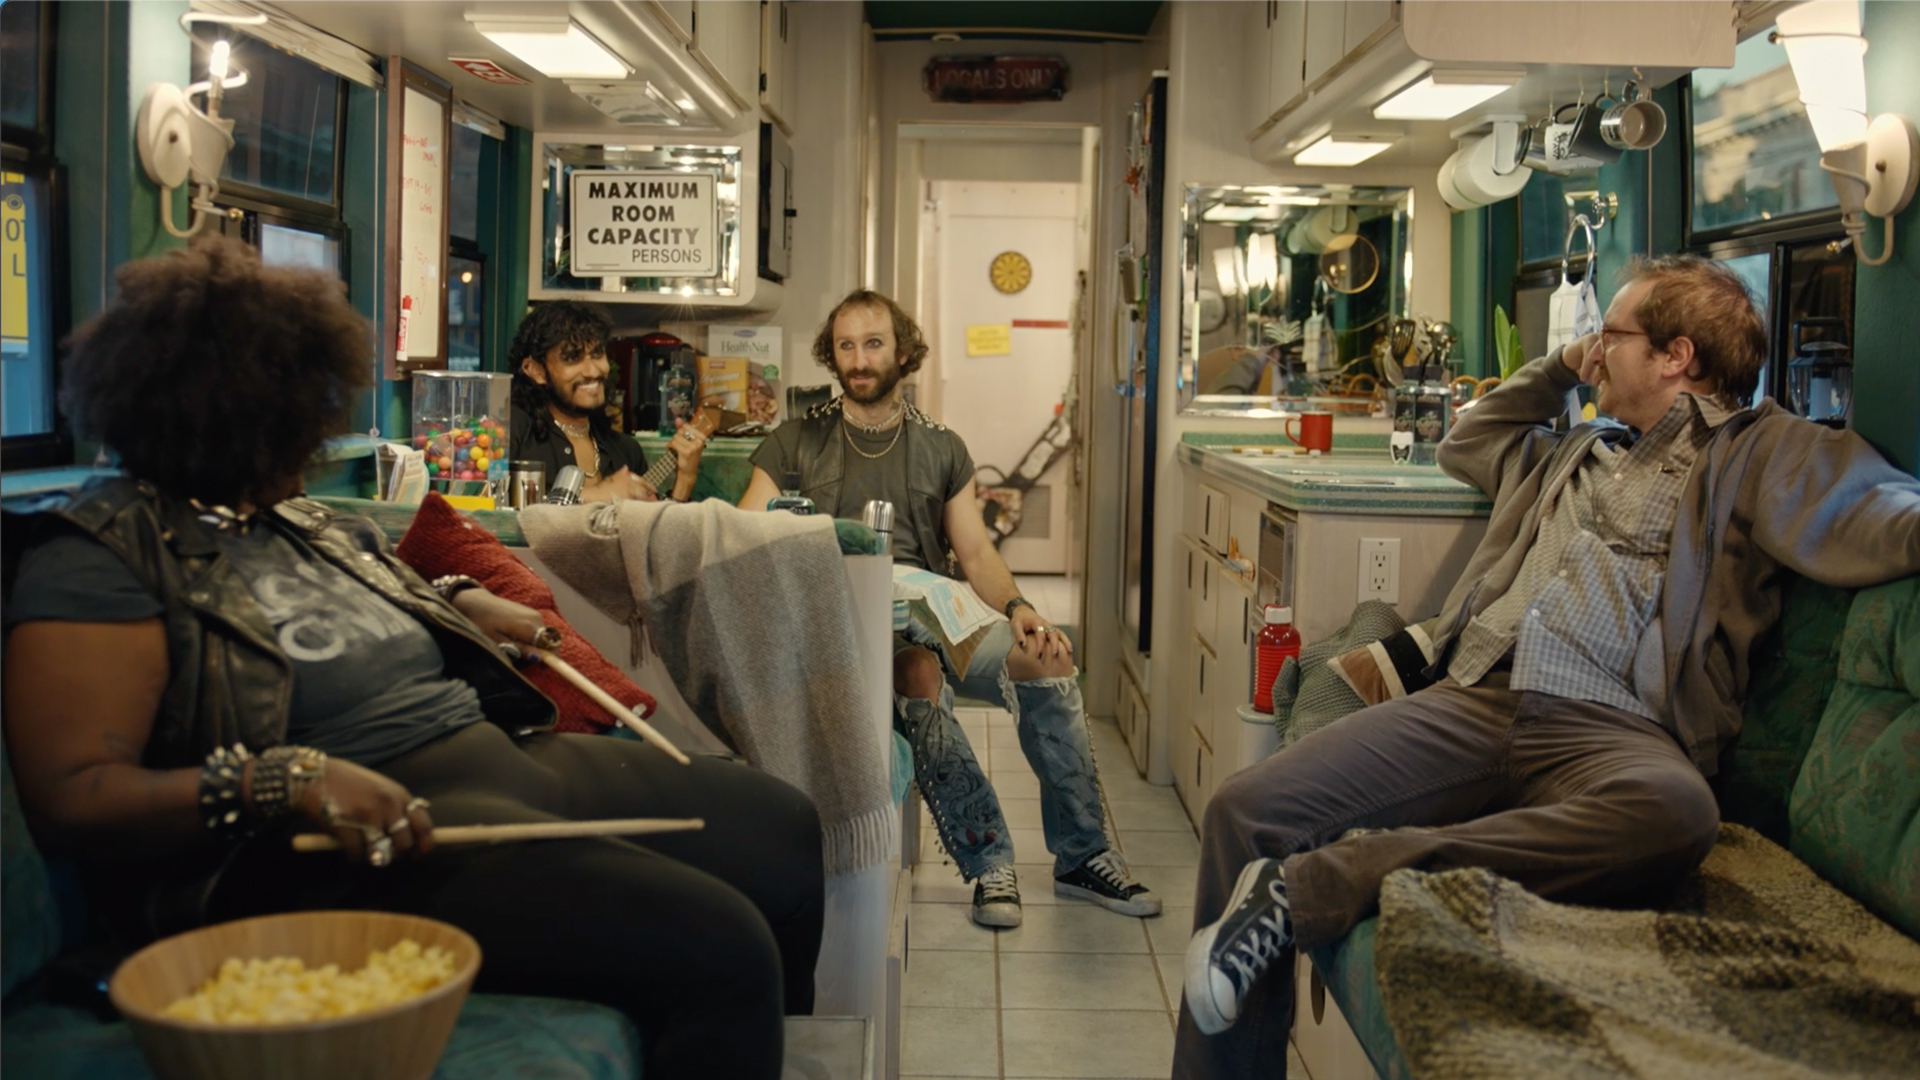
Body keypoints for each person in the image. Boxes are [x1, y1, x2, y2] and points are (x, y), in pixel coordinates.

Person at [2, 237, 823, 1080]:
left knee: (783, 831)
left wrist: (465, 599)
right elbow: (76, 797)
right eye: (294, 413)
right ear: (225, 411)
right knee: (722, 947)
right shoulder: (101, 554)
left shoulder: (294, 518)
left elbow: (380, 591)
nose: (311, 440)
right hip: (352, 838)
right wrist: (285, 779)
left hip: (493, 755)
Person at [1174, 254, 1920, 1078]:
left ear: (1677, 355)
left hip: (1615, 728)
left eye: (1612, 334)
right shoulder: (1573, 448)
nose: (1596, 350)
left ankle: (1313, 886)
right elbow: (1468, 438)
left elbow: (1883, 518)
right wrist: (1563, 365)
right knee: (1245, 811)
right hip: (1480, 698)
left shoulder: (1760, 451)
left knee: (1678, 813)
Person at [738, 289, 1159, 929]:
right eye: (846, 345)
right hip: (845, 620)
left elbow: (977, 553)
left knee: (1045, 662)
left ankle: (1083, 855)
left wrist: (1019, 606)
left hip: (935, 611)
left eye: (873, 343)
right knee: (918, 675)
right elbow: (746, 533)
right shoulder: (796, 440)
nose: (859, 359)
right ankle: (989, 861)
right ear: (832, 354)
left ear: (902, 351)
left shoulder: (942, 447)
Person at [508, 301, 707, 503]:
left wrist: (685, 480)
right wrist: (594, 496)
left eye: (597, 354)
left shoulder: (626, 451)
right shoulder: (513, 432)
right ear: (536, 371)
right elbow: (488, 512)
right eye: (572, 358)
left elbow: (653, 533)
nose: (593, 371)